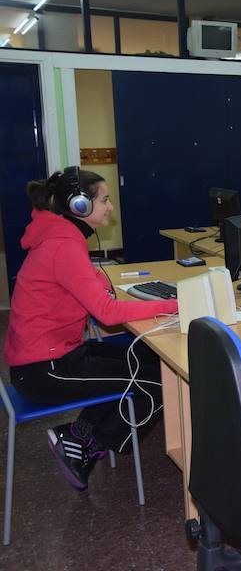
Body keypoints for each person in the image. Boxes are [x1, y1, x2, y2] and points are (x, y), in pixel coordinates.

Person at [3, 167, 178, 491]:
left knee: (143, 357)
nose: (110, 207)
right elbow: (107, 314)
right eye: (104, 200)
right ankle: (89, 442)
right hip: (46, 370)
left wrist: (97, 283)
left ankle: (79, 433)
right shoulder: (63, 245)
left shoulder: (61, 237)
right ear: (79, 206)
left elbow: (89, 283)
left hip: (54, 355)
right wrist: (172, 304)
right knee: (157, 384)